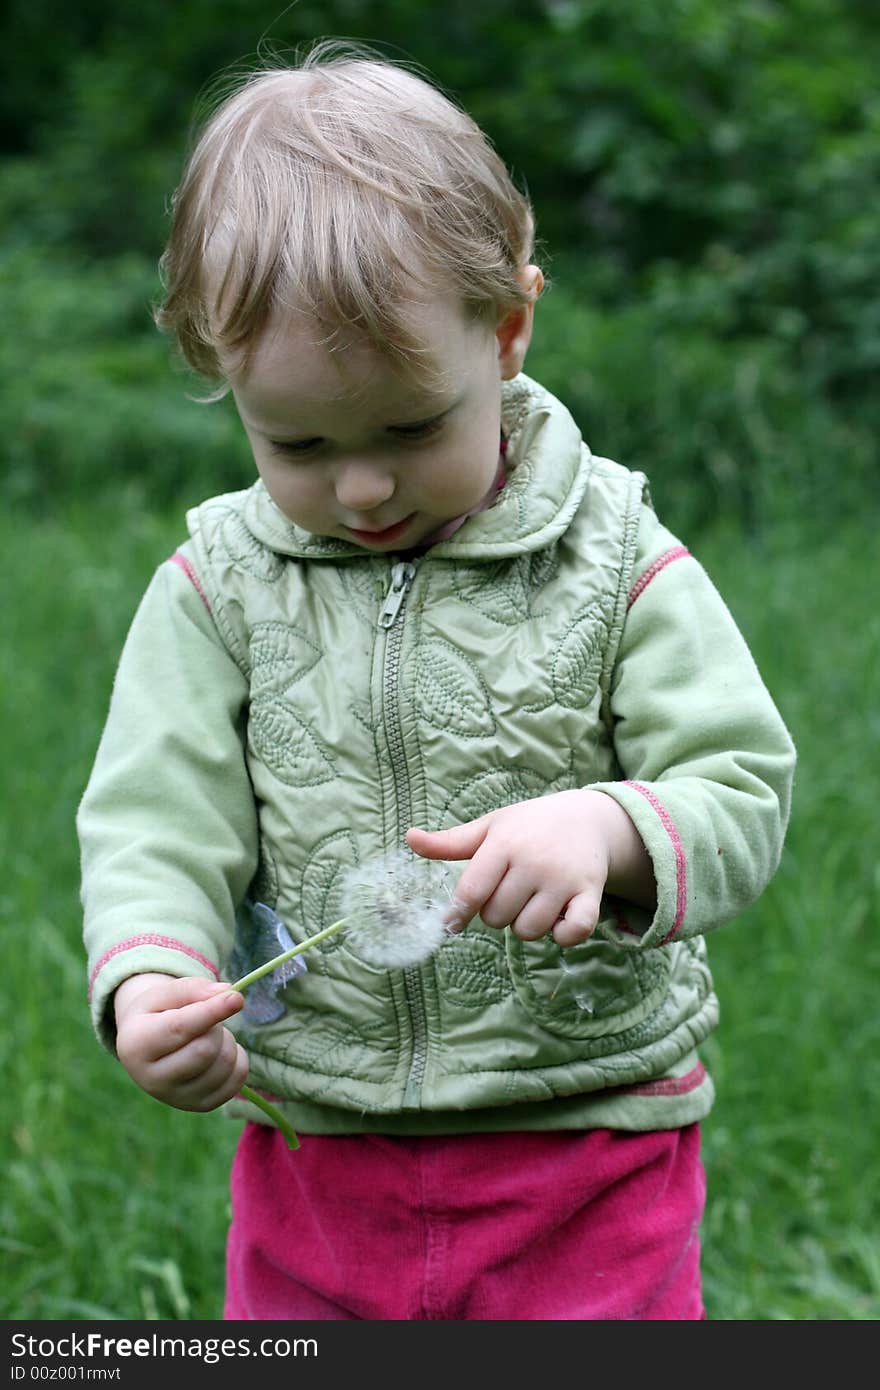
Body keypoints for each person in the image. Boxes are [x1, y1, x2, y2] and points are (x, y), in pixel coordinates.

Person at [78, 41, 796, 1321]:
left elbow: (740, 786)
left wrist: (612, 828)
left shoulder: (618, 554)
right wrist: (151, 975)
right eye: (294, 441)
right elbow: (154, 817)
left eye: (410, 429)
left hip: (586, 1142)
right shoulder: (217, 587)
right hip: (320, 1148)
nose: (360, 487)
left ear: (507, 327)